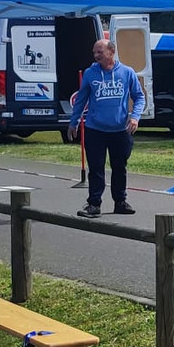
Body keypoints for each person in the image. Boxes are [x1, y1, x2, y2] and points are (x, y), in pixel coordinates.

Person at [68, 39, 145, 218]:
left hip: (120, 130)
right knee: (96, 168)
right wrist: (74, 122)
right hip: (95, 129)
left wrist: (135, 117)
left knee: (119, 166)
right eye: (94, 52)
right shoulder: (90, 73)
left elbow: (139, 97)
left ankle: (120, 201)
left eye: (99, 52)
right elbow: (81, 99)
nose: (96, 56)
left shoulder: (127, 72)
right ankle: (94, 204)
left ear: (111, 52)